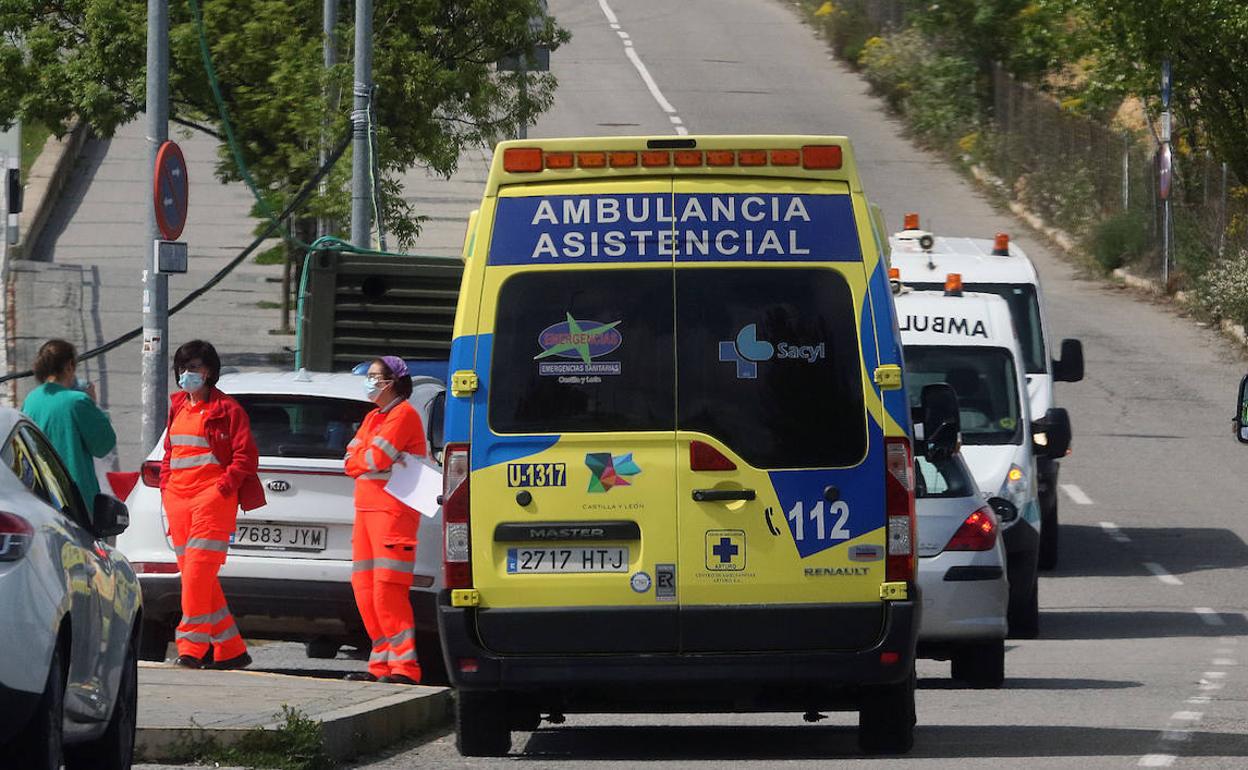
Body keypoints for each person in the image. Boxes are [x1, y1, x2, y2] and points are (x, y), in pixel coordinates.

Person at [160, 340, 265, 670]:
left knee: (196, 576)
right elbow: (169, 451)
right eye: (182, 368)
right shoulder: (178, 405)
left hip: (211, 500)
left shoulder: (228, 410)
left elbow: (246, 457)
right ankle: (231, 648)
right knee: (197, 577)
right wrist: (166, 486)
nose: (187, 374)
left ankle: (191, 647)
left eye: (194, 368)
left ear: (210, 373)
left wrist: (223, 486)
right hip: (178, 499)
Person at [344, 356, 427, 684]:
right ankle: (381, 665)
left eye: (375, 376)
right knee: (364, 589)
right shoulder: (372, 418)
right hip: (366, 511)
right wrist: (366, 461)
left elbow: (374, 457)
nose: (369, 381)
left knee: (387, 591)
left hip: (393, 514)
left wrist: (365, 460)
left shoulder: (403, 414)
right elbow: (350, 459)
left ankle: (405, 668)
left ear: (392, 381)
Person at [22, 340, 117, 507]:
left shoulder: (31, 400)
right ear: (69, 366)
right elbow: (104, 444)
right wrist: (93, 405)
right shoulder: (77, 402)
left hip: (40, 495)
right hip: (76, 500)